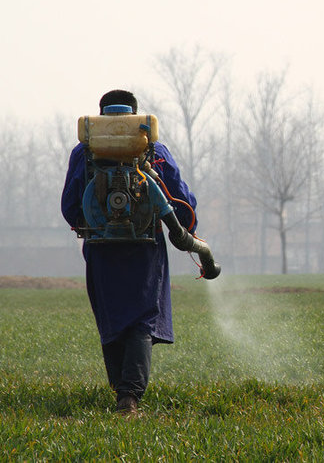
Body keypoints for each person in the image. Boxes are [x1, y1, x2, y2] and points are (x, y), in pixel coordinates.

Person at [61, 89, 198, 415]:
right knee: (141, 320)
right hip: (144, 249)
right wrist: (187, 231)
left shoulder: (85, 151)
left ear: (101, 116)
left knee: (113, 319)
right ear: (137, 116)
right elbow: (181, 203)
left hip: (101, 249)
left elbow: (69, 207)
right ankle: (129, 397)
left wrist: (89, 222)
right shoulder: (153, 149)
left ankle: (121, 391)